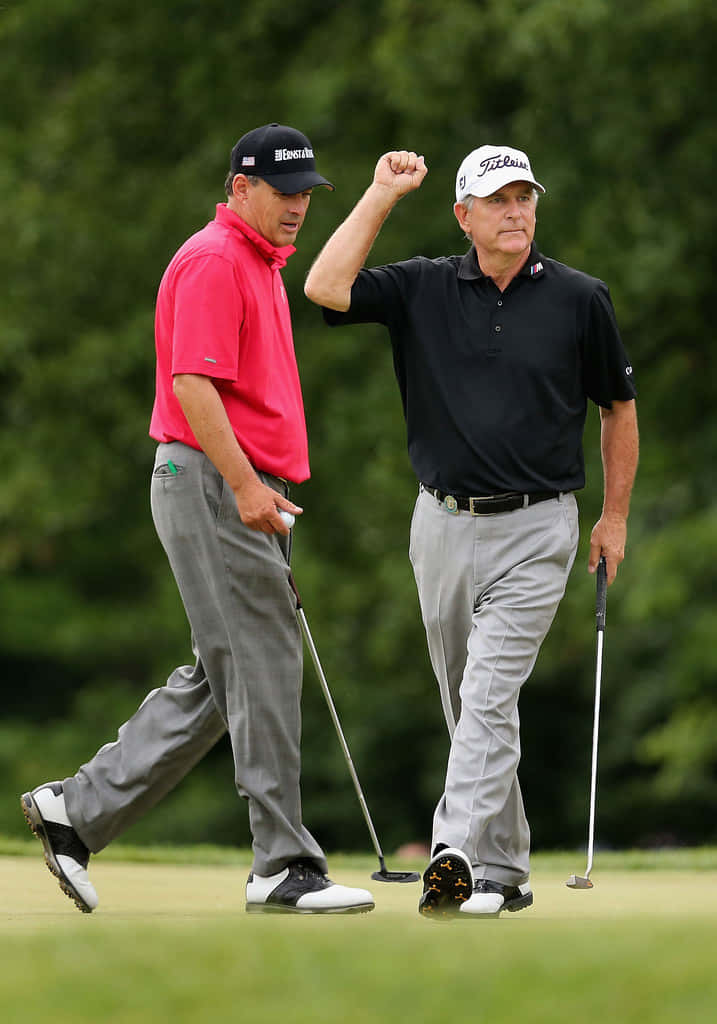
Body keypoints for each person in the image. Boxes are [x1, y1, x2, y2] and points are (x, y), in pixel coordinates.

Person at [21, 123, 375, 916]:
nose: (297, 206)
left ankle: (76, 810)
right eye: (283, 192)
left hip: (228, 482)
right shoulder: (216, 259)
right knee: (262, 664)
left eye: (306, 193)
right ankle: (282, 865)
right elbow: (191, 384)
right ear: (240, 188)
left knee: (229, 675)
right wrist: (246, 484)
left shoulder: (258, 261)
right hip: (216, 481)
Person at [304, 144, 638, 919]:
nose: (515, 212)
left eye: (524, 197)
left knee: (487, 692)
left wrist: (614, 517)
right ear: (463, 215)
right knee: (471, 707)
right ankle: (504, 869)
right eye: (498, 200)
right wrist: (382, 194)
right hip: (441, 524)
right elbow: (324, 287)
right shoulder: (421, 286)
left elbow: (617, 408)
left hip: (538, 527)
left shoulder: (579, 298)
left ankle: (450, 851)